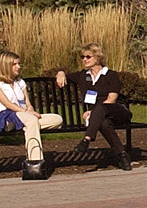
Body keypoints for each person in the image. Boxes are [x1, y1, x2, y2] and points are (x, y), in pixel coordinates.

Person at [55, 42, 133, 170]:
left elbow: (111, 99)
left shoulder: (111, 75)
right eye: (83, 57)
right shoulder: (83, 76)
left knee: (101, 109)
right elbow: (64, 76)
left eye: (88, 57)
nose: (84, 60)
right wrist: (61, 73)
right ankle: (122, 155)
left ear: (98, 58)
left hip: (117, 111)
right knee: (103, 124)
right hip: (99, 117)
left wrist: (93, 112)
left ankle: (87, 139)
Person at [0, 51, 64, 171]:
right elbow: (7, 104)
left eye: (19, 64)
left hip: (24, 115)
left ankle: (18, 126)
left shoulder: (20, 82)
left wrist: (30, 109)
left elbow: (28, 103)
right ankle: (35, 162)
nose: (18, 67)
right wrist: (27, 113)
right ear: (6, 66)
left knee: (57, 119)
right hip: (7, 113)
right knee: (32, 120)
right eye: (14, 64)